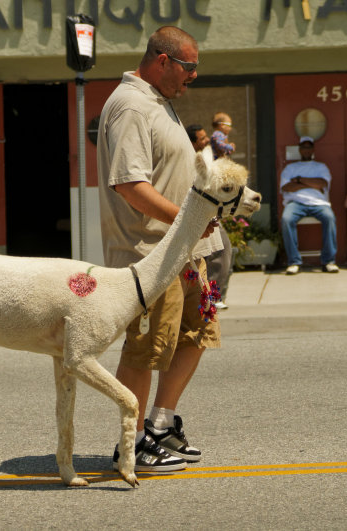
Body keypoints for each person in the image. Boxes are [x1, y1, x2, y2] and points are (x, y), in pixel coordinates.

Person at [97, 27, 223, 472]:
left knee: (196, 335)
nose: (193, 76)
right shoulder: (130, 105)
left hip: (185, 251)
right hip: (150, 254)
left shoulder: (159, 103)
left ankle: (161, 426)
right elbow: (130, 185)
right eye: (189, 67)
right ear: (163, 60)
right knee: (147, 350)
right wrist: (186, 220)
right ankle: (129, 447)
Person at [279, 136, 339, 275]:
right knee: (287, 219)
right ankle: (294, 262)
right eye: (304, 147)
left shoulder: (321, 167)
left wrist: (299, 180)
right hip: (295, 203)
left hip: (319, 203)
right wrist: (312, 184)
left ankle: (329, 261)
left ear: (313, 149)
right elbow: (287, 188)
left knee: (329, 217)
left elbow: (322, 184)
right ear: (300, 149)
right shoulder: (290, 168)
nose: (306, 150)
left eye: (309, 147)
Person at [188, 123, 232, 310]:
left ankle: (213, 296)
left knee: (222, 251)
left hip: (209, 213)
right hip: (198, 214)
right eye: (202, 138)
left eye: (207, 136)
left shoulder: (206, 156)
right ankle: (211, 297)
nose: (207, 141)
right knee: (220, 250)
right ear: (192, 142)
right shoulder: (190, 160)